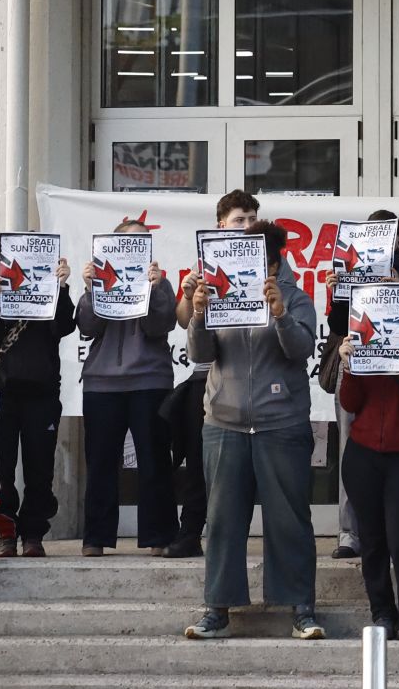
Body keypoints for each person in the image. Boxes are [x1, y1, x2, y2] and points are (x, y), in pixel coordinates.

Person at [184, 220, 324, 640]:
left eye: (255, 260)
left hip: (281, 422)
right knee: (222, 520)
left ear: (275, 262)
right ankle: (217, 609)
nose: (244, 267)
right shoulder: (220, 295)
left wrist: (279, 314)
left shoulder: (296, 297)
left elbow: (301, 350)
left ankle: (301, 608)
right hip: (223, 423)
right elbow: (199, 354)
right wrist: (198, 315)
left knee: (290, 519)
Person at [164, 189, 262, 559]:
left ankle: (230, 536)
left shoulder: (266, 262)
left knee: (243, 466)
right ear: (221, 224)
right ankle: (190, 532)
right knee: (198, 459)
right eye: (239, 220)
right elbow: (184, 320)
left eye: (252, 219)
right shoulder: (204, 266)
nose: (247, 226)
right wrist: (190, 294)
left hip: (247, 375)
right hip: (205, 377)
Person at [338, 290, 399, 640]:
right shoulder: (361, 346)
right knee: (372, 539)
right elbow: (350, 403)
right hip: (363, 453)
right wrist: (348, 366)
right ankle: (382, 611)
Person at [77, 219, 177, 557]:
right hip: (102, 383)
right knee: (101, 462)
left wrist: (153, 288)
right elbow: (88, 326)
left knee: (155, 460)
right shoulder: (99, 279)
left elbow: (159, 326)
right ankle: (95, 537)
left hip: (150, 379)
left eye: (142, 242)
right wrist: (93, 288)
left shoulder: (160, 282)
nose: (135, 247)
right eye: (128, 242)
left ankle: (159, 536)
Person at [324, 210, 399, 562]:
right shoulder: (350, 264)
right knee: (352, 448)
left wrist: (397, 283)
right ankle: (350, 532)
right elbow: (338, 323)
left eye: (387, 235)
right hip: (360, 367)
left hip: (395, 374)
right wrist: (336, 295)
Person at [0, 250, 76, 557]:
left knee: (40, 469)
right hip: (0, 392)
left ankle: (33, 534)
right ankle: (5, 533)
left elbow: (64, 327)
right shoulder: (3, 291)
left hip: (42, 394)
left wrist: (61, 287)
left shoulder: (52, 292)